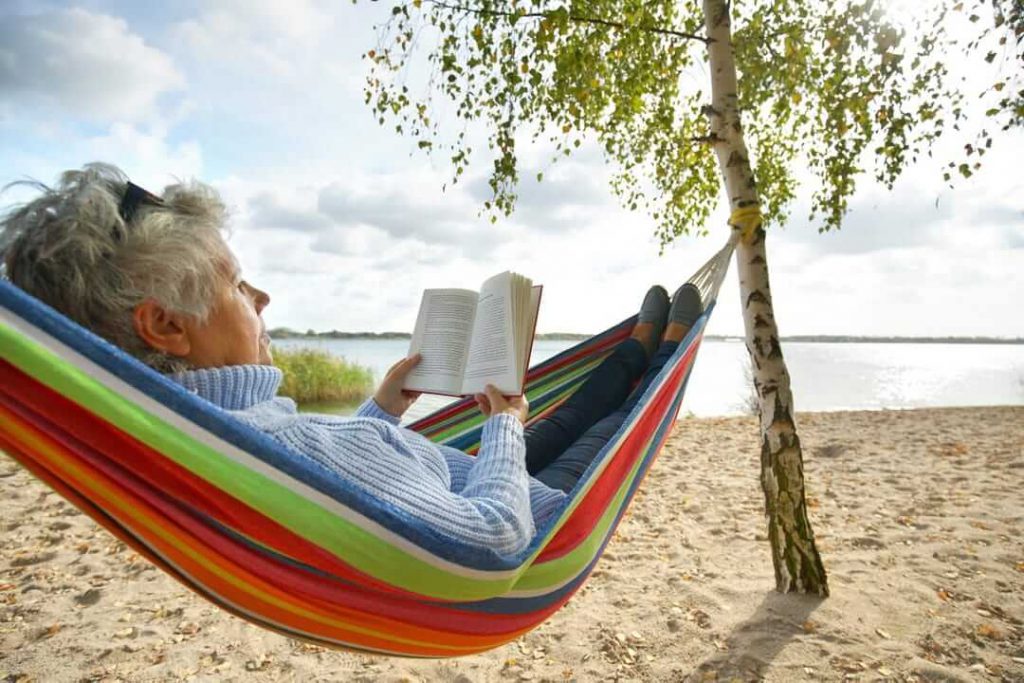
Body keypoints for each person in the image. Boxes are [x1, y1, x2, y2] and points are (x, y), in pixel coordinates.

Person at [0, 164, 703, 556]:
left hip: (462, 471)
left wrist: (384, 408)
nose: (263, 296)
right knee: (601, 425)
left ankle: (639, 349)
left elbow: (340, 476)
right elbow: (495, 532)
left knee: (577, 407)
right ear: (165, 325)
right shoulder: (276, 440)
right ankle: (655, 354)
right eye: (237, 285)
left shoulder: (231, 436)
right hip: (529, 503)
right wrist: (503, 430)